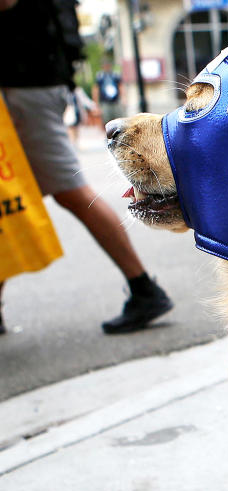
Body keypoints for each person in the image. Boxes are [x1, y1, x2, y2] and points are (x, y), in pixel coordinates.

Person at [0, 0, 172, 335]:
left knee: (70, 190)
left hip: (26, 86)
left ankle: (143, 287)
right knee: (10, 195)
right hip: (33, 81)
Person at [94, 56, 124, 126]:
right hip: (105, 102)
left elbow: (120, 86)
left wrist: (123, 97)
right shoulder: (100, 76)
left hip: (115, 101)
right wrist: (96, 102)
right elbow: (96, 89)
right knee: (106, 120)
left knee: (118, 119)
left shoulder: (115, 75)